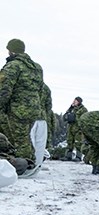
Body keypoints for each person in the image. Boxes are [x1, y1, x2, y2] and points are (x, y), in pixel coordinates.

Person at [0, 38, 48, 176]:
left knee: (18, 140)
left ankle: (22, 169)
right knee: (28, 140)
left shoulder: (13, 66)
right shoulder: (37, 67)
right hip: (35, 109)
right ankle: (30, 166)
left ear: (11, 50)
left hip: (17, 110)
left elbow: (4, 90)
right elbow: (40, 88)